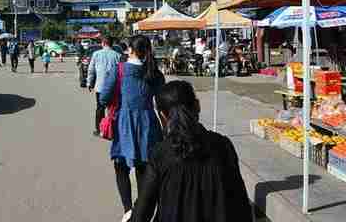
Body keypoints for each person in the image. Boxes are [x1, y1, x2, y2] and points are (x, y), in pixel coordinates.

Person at [129, 80, 251, 222]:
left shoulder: (160, 153)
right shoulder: (223, 146)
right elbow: (241, 203)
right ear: (197, 106)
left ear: (162, 116)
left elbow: (142, 213)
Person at [99, 36, 164, 221]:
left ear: (131, 50)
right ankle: (141, 210)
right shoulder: (154, 72)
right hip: (149, 125)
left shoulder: (120, 70)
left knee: (121, 166)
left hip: (124, 123)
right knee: (144, 168)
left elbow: (103, 97)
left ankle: (128, 209)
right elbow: (162, 100)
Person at [87, 36, 121, 137]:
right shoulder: (117, 55)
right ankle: (113, 129)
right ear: (112, 44)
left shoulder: (96, 54)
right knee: (113, 109)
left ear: (103, 43)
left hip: (100, 87)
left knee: (100, 108)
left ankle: (99, 130)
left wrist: (89, 83)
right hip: (113, 87)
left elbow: (91, 70)